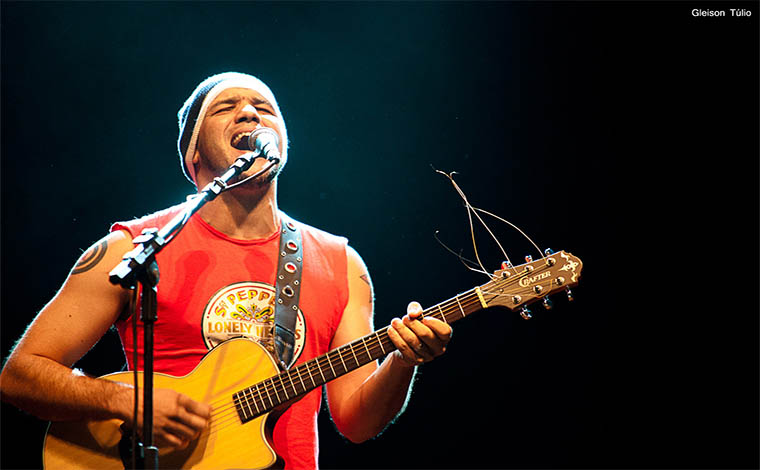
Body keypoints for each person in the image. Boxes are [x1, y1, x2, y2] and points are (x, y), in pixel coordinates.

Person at [0, 72, 452, 469]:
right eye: (227, 107)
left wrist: (402, 361)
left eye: (264, 108)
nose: (250, 115)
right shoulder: (131, 247)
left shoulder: (340, 263)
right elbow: (20, 374)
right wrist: (123, 399)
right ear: (193, 154)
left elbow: (356, 422)